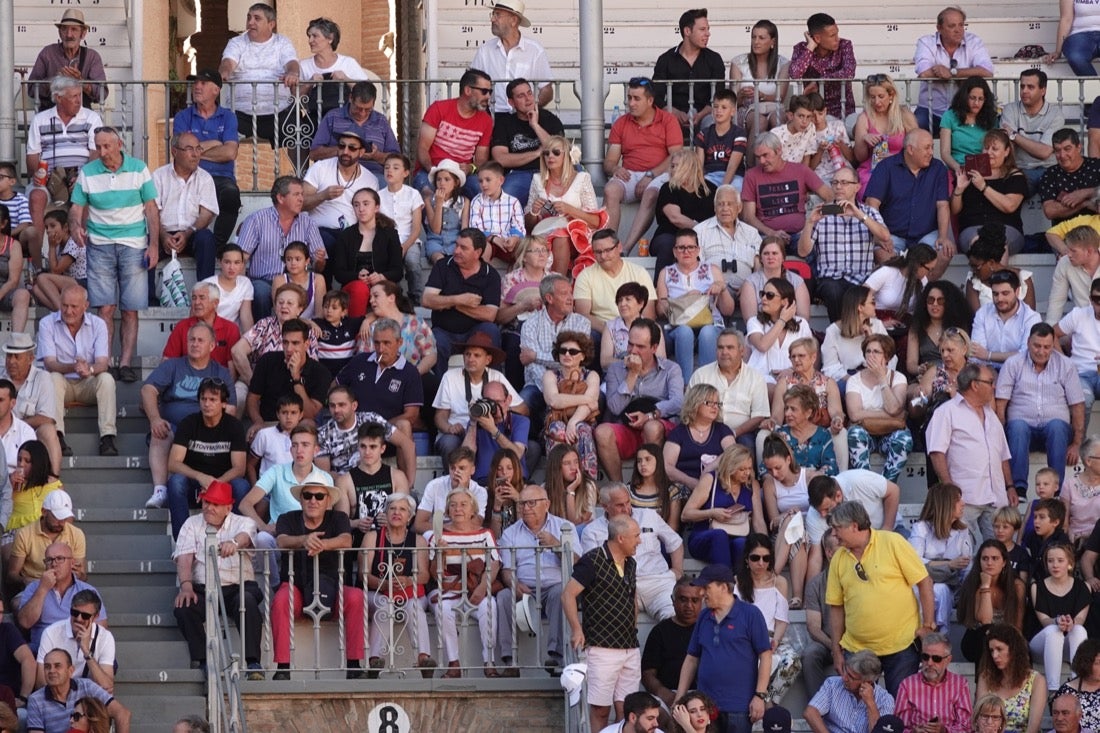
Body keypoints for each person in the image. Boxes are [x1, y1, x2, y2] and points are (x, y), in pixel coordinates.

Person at [68, 127, 159, 382]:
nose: (103, 152)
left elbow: (151, 209)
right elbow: (76, 208)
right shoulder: (88, 172)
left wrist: (153, 246)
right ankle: (104, 362)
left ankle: (126, 362)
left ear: (119, 143)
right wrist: (75, 226)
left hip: (133, 243)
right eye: (99, 146)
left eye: (107, 146)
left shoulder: (139, 168)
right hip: (99, 244)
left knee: (130, 309)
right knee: (105, 308)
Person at [826, 500, 936, 696]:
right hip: (857, 649)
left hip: (901, 647)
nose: (834, 534)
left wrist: (928, 626)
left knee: (899, 710)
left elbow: (924, 582)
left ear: (853, 525)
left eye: (837, 528)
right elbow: (836, 607)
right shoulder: (838, 558)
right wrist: (836, 650)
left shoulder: (893, 542)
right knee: (858, 713)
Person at [270, 481, 364, 679]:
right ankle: (283, 668)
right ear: (301, 499)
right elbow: (281, 540)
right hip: (297, 586)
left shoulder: (338, 517)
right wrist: (303, 540)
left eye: (319, 496)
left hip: (334, 587)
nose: (313, 500)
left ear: (328, 500)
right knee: (280, 601)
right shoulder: (287, 518)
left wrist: (322, 544)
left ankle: (354, 665)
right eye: (308, 495)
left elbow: (346, 540)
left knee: (356, 597)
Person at [171, 480, 262, 679]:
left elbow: (246, 535)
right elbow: (184, 557)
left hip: (239, 586)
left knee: (246, 602)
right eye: (206, 502)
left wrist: (234, 543)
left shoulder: (242, 521)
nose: (209, 508)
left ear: (228, 507)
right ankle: (204, 661)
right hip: (204, 589)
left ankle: (254, 663)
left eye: (215, 504)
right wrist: (186, 586)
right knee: (184, 607)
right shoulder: (191, 523)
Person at [141, 323, 236, 510]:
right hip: (175, 428)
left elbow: (230, 408)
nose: (195, 344)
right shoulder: (173, 366)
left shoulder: (220, 372)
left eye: (201, 340)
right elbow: (147, 390)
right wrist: (155, 419)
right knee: (161, 431)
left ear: (212, 346)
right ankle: (160, 490)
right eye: (192, 339)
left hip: (206, 431)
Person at [563, 513, 641, 732]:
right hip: (602, 648)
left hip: (629, 646)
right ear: (621, 538)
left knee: (627, 711)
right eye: (635, 536)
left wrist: (633, 625)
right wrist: (576, 629)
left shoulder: (631, 563)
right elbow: (568, 595)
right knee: (600, 710)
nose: (640, 541)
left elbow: (632, 596)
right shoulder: (592, 560)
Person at [676, 564, 772, 733]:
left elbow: (765, 655)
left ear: (723, 587)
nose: (702, 593)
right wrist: (680, 697)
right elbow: (691, 658)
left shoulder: (750, 614)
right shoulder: (704, 616)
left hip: (739, 707)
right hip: (705, 708)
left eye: (707, 587)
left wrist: (760, 695)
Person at [927, 363, 1015, 542]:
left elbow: (1003, 455)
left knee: (998, 556)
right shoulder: (946, 412)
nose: (994, 386)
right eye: (990, 382)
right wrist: (950, 489)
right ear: (975, 385)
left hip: (996, 498)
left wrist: (1010, 486)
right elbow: (937, 452)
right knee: (965, 558)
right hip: (965, 499)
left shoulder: (991, 415)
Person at [24, 77, 103, 270]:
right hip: (50, 178)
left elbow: (96, 152)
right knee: (35, 196)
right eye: (74, 96)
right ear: (58, 98)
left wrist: (82, 177)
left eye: (79, 95)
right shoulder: (41, 120)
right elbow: (32, 155)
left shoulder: (91, 117)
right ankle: (37, 264)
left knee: (82, 194)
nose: (79, 100)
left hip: (81, 175)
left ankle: (83, 259)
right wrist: (39, 174)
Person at [996, 323, 1084, 495]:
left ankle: (1055, 490)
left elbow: (1078, 405)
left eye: (1047, 347)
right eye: (1037, 346)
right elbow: (1001, 405)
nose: (1041, 351)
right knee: (1018, 427)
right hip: (1021, 429)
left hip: (1055, 431)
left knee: (1057, 426)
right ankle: (1018, 489)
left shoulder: (1066, 365)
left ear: (1053, 345)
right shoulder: (1013, 364)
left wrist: (1076, 444)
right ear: (1028, 342)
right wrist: (999, 439)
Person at [496, 484, 574, 675]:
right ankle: (510, 661)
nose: (525, 508)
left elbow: (578, 564)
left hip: (554, 585)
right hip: (524, 587)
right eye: (522, 504)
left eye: (531, 503)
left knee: (561, 593)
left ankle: (556, 658)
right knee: (503, 597)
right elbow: (506, 569)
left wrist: (557, 545)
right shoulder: (510, 533)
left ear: (546, 504)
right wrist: (513, 584)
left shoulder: (564, 527)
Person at [596, 318, 683, 482]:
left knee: (651, 427)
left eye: (640, 346)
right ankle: (619, 488)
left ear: (654, 348)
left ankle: (652, 486)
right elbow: (614, 407)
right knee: (602, 432)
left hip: (660, 427)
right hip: (627, 427)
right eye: (630, 344)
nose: (633, 351)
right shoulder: (616, 368)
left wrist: (651, 415)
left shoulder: (671, 368)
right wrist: (632, 374)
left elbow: (678, 401)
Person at [602, 76, 683, 252]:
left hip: (660, 174)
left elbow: (676, 155)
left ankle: (626, 248)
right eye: (629, 97)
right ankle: (608, 246)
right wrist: (616, 168)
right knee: (610, 190)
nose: (631, 103)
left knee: (652, 193)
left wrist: (650, 175)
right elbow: (609, 162)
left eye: (636, 98)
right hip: (630, 174)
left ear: (650, 100)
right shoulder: (621, 123)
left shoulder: (667, 120)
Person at [426, 489, 501, 679]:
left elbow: (494, 563)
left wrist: (482, 588)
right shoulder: (437, 536)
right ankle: (453, 663)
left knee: (490, 606)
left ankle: (489, 661)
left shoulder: (485, 534)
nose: (457, 509)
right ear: (447, 510)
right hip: (449, 590)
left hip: (477, 589)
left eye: (463, 505)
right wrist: (440, 555)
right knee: (442, 608)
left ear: (472, 510)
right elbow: (435, 574)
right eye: (453, 505)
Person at [581, 484, 683, 622]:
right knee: (616, 625)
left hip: (657, 583)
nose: (626, 508)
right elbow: (593, 567)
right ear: (605, 506)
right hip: (619, 587)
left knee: (673, 619)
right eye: (619, 505)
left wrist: (677, 570)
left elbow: (674, 541)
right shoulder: (592, 531)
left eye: (628, 502)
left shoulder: (649, 515)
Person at [799, 170, 890, 321]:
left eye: (844, 183)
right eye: (835, 183)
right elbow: (803, 252)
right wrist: (809, 223)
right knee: (834, 290)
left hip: (861, 279)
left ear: (857, 187)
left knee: (858, 294)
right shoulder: (822, 214)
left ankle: (848, 334)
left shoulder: (868, 212)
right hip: (830, 280)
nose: (838, 186)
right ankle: (842, 333)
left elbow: (885, 236)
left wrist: (858, 215)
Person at [218, 3, 304, 163]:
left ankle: (301, 177)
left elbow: (291, 62)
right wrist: (225, 71)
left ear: (271, 24)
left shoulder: (282, 42)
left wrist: (293, 73)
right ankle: (221, 180)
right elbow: (228, 62)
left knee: (299, 130)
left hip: (278, 113)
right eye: (249, 17)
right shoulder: (236, 42)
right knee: (219, 131)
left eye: (257, 18)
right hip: (240, 113)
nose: (250, 22)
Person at [360, 492, 435, 675]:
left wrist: (408, 580)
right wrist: (384, 584)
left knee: (415, 609)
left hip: (411, 593)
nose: (397, 513)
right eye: (392, 508)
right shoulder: (372, 538)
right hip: (377, 592)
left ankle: (423, 659)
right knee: (385, 606)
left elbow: (425, 575)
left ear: (409, 517)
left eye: (402, 509)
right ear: (385, 513)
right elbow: (364, 575)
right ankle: (374, 661)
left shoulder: (418, 541)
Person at [36, 286, 116, 457]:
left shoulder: (98, 324)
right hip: (62, 384)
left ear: (85, 306)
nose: (68, 311)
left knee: (107, 379)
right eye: (64, 305)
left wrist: (90, 369)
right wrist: (73, 367)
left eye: (74, 306)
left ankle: (107, 437)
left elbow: (103, 362)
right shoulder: (47, 323)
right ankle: (57, 436)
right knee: (53, 378)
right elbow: (49, 363)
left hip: (88, 382)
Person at [165, 379, 249, 538]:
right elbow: (173, 464)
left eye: (213, 400)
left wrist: (215, 484)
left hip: (223, 483)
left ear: (224, 403)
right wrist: (200, 476)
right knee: (176, 482)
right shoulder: (189, 423)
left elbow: (239, 468)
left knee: (241, 485)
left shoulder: (234, 426)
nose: (207, 404)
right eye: (203, 399)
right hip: (195, 483)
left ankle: (235, 539)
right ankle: (184, 542)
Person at [235, 176, 327, 320]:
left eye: (302, 194)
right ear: (281, 198)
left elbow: (319, 267)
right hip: (264, 281)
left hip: (297, 280)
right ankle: (264, 333)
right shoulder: (257, 220)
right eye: (296, 194)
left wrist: (320, 260)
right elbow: (240, 259)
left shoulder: (308, 223)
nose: (301, 199)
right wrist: (238, 288)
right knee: (259, 291)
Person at [172, 70, 241, 254]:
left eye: (203, 83)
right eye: (196, 83)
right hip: (191, 175)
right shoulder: (183, 117)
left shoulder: (228, 117)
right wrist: (214, 144)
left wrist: (194, 151)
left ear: (216, 90)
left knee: (231, 195)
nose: (197, 87)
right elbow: (180, 152)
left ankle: (216, 248)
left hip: (220, 176)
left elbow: (230, 152)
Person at [421, 228, 502, 377]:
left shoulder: (491, 275)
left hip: (475, 332)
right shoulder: (443, 266)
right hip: (444, 332)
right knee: (436, 341)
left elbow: (490, 315)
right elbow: (426, 300)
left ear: (477, 253)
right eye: (456, 245)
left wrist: (452, 304)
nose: (456, 250)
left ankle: (493, 387)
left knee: (491, 331)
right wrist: (458, 299)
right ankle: (439, 392)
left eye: (463, 248)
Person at [430, 332, 523, 458]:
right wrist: (449, 428)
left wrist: (497, 408)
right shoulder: (450, 377)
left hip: (488, 430)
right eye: (467, 354)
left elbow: (523, 409)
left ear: (488, 360)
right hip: (459, 433)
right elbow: (440, 416)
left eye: (477, 355)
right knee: (448, 443)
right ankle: (455, 477)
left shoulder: (497, 377)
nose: (470, 359)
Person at [656, 229, 733, 377]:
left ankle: (706, 382)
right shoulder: (666, 273)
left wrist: (722, 289)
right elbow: (660, 309)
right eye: (681, 247)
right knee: (685, 331)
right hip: (678, 325)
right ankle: (685, 384)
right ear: (674, 251)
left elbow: (728, 311)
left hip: (710, 324)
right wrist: (686, 298)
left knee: (708, 332)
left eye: (691, 247)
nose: (686, 251)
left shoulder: (712, 270)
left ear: (698, 250)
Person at [865, 130, 954, 257]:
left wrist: (943, 237)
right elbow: (871, 203)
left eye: (932, 147)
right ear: (910, 149)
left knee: (944, 253)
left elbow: (942, 205)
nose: (931, 152)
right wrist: (879, 235)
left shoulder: (937, 168)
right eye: (926, 148)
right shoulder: (886, 167)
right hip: (892, 234)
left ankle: (924, 278)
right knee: (881, 254)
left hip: (926, 235)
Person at [524, 136, 603, 277]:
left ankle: (555, 284)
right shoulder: (537, 180)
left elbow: (596, 222)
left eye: (556, 152)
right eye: (546, 153)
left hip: (576, 238)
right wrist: (534, 212)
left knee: (561, 235)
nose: (550, 156)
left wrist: (570, 210)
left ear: (567, 154)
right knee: (553, 237)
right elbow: (529, 227)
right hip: (544, 236)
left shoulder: (582, 178)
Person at [735, 533, 801, 702]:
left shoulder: (779, 582)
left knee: (793, 663)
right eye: (755, 558)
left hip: (772, 637)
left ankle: (767, 702)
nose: (761, 563)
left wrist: (775, 641)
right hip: (745, 638)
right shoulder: (736, 583)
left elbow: (782, 619)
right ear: (746, 559)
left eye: (766, 558)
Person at [412, 68, 493, 199]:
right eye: (484, 91)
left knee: (483, 194)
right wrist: (434, 172)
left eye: (490, 92)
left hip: (461, 175)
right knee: (428, 194)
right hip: (432, 170)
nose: (488, 96)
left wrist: (470, 168)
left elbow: (480, 161)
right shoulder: (439, 108)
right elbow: (422, 148)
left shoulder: (486, 121)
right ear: (468, 90)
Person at [740, 132, 832, 248]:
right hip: (767, 237)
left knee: (816, 247)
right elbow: (748, 217)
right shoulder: (751, 176)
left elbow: (830, 196)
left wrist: (816, 221)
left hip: (800, 234)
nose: (762, 161)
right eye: (758, 157)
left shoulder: (800, 171)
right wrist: (771, 233)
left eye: (765, 155)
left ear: (778, 150)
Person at [519, 273, 591, 418]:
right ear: (549, 298)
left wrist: (536, 356)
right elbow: (532, 366)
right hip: (538, 385)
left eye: (571, 293)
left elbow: (577, 360)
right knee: (524, 401)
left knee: (600, 398)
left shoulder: (582, 323)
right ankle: (530, 440)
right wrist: (552, 389)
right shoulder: (530, 325)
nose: (571, 298)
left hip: (574, 383)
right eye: (565, 293)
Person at [913, 7, 994, 134]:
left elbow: (987, 70)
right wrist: (962, 75)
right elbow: (923, 71)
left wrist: (952, 73)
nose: (958, 30)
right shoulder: (926, 42)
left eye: (961, 25)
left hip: (964, 110)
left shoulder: (974, 42)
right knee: (913, 130)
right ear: (939, 28)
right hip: (930, 111)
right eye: (952, 26)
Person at [682, 445, 766, 569]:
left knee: (742, 544)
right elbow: (685, 515)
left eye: (749, 468)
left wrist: (764, 547)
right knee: (720, 535)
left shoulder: (751, 484)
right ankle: (726, 582)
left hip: (738, 534)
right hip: (706, 535)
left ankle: (739, 584)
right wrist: (712, 513)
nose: (747, 473)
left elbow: (758, 521)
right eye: (742, 469)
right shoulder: (711, 479)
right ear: (730, 467)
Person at [770, 337, 847, 470]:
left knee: (841, 433)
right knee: (762, 435)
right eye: (793, 356)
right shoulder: (784, 382)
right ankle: (768, 477)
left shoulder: (828, 382)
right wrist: (772, 422)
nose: (796, 360)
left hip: (821, 430)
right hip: (792, 430)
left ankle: (840, 479)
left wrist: (837, 420)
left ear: (813, 357)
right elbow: (777, 415)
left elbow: (836, 411)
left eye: (801, 356)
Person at [302, 132, 381, 261]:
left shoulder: (370, 179)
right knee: (327, 244)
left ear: (361, 152)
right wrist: (323, 196)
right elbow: (300, 204)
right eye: (341, 146)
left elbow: (371, 215)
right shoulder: (320, 168)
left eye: (352, 148)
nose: (345, 151)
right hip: (320, 230)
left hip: (352, 232)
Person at [17, 542, 105, 654]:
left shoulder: (87, 590)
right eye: (49, 560)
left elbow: (101, 629)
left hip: (77, 649)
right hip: (42, 649)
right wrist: (43, 589)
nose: (54, 564)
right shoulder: (34, 588)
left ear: (72, 563)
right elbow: (25, 622)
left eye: (60, 558)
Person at [846, 335, 913, 482]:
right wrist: (887, 414)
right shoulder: (854, 380)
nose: (871, 355)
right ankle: (866, 484)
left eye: (876, 352)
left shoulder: (898, 377)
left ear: (887, 357)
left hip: (889, 433)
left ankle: (886, 485)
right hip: (865, 433)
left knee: (904, 438)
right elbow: (855, 415)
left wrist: (882, 379)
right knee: (854, 433)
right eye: (868, 351)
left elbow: (894, 408)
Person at [689, 328, 769, 450]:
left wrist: (734, 432)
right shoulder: (701, 375)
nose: (724, 352)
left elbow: (759, 415)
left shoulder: (755, 377)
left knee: (745, 446)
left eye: (730, 347)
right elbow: (689, 409)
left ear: (742, 351)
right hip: (706, 430)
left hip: (741, 433)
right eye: (720, 348)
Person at [153, 133, 218, 281]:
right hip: (163, 232)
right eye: (189, 149)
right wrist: (163, 236)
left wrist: (188, 233)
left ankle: (204, 291)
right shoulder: (159, 176)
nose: (196, 154)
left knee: (206, 239)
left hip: (192, 233)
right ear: (174, 151)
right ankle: (149, 300)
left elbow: (206, 214)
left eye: (198, 149)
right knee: (145, 244)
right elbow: (153, 212)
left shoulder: (205, 178)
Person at [909, 483, 973, 632]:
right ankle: (934, 632)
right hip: (923, 584)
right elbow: (914, 560)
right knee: (937, 589)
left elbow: (967, 566)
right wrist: (949, 564)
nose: (963, 503)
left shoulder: (962, 529)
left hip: (952, 585)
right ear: (945, 504)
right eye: (958, 500)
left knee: (942, 589)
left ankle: (939, 635)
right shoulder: (921, 528)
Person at [329, 187, 402, 318]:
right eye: (356, 205)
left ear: (376, 207)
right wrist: (357, 276)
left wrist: (381, 277)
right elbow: (339, 273)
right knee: (360, 288)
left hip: (382, 287)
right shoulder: (346, 236)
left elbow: (397, 271)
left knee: (381, 290)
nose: (361, 209)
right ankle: (356, 330)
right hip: (353, 289)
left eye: (366, 204)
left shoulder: (389, 234)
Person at [492, 79, 565, 208]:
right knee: (504, 199)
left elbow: (557, 149)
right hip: (519, 174)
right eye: (521, 96)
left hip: (549, 171)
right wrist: (537, 153)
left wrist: (535, 125)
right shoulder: (504, 123)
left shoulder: (549, 118)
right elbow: (501, 158)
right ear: (511, 102)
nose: (528, 99)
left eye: (529, 93)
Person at [952, 130, 1028, 255]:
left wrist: (983, 187)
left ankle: (995, 275)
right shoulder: (970, 173)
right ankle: (999, 274)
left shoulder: (1014, 175)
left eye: (995, 149)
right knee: (979, 242)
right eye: (986, 148)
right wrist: (959, 190)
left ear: (1006, 152)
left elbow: (1009, 206)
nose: (989, 153)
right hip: (972, 228)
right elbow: (955, 210)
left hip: (1006, 228)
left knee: (998, 243)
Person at [471, 0, 553, 113]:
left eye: (497, 15)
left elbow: (546, 90)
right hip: (493, 117)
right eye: (493, 14)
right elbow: (472, 84)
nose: (492, 19)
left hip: (524, 117)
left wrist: (531, 109)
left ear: (513, 20)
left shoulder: (534, 50)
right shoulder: (485, 50)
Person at [574, 229, 658, 339]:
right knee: (588, 336)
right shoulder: (585, 276)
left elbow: (649, 314)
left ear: (619, 247)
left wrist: (632, 332)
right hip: (602, 330)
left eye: (608, 250)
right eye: (598, 252)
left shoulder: (639, 272)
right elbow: (583, 315)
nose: (603, 256)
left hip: (636, 330)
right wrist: (611, 331)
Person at [309, 81, 399, 182]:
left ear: (374, 103)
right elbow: (314, 153)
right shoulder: (332, 117)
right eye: (358, 108)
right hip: (336, 174)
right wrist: (344, 150)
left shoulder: (381, 121)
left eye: (368, 109)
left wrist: (375, 155)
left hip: (373, 175)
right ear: (350, 98)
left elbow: (396, 160)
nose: (362, 113)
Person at [651, 8, 725, 132]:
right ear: (687, 31)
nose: (708, 34)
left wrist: (701, 115)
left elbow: (719, 94)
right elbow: (656, 95)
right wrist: (674, 112)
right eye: (702, 29)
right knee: (663, 124)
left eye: (708, 29)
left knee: (713, 124)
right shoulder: (666, 59)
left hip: (706, 115)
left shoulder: (714, 59)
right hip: (673, 115)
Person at [246, 319, 329, 427]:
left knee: (309, 424)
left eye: (295, 343)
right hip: (269, 425)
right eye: (285, 342)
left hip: (300, 428)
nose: (289, 349)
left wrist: (296, 378)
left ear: (306, 344)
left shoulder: (320, 372)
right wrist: (258, 422)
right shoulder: (267, 361)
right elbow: (253, 399)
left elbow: (311, 414)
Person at [0, 335, 63, 474]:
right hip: (2, 430)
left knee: (49, 430)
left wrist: (17, 425)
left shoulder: (43, 378)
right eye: (9, 356)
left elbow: (47, 418)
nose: (11, 361)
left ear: (30, 359)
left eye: (17, 357)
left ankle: (53, 479)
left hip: (31, 433)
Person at [542, 331, 600, 479]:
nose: (567, 354)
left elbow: (589, 407)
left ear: (582, 355)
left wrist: (573, 422)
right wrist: (586, 398)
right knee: (557, 429)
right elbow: (554, 401)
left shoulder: (591, 375)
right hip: (556, 420)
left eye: (573, 351)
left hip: (582, 420)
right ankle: (556, 482)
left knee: (583, 430)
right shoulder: (551, 375)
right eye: (563, 351)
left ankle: (588, 483)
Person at [957, 540, 1026, 664]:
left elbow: (1018, 625)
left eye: (995, 558)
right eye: (985, 558)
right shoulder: (974, 585)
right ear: (979, 562)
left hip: (1006, 636)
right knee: (986, 638)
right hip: (977, 638)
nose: (989, 563)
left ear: (1004, 562)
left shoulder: (1017, 586)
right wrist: (985, 585)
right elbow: (985, 621)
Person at [27, 649, 129, 733]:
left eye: (57, 666)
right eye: (47, 667)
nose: (52, 671)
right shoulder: (36, 700)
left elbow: (122, 714)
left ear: (70, 670)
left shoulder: (86, 686)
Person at [7, 490, 86, 595]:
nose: (61, 522)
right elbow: (12, 574)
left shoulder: (76, 534)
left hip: (66, 589)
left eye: (64, 518)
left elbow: (83, 575)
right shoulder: (24, 534)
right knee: (18, 604)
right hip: (35, 587)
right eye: (57, 517)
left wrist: (78, 574)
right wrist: (26, 581)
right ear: (44, 512)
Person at [853, 74, 919, 200]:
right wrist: (864, 139)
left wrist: (895, 158)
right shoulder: (864, 118)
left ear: (891, 95)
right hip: (873, 169)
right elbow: (860, 157)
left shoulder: (904, 116)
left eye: (881, 96)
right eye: (872, 97)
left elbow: (917, 149)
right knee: (868, 188)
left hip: (902, 166)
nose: (876, 102)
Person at [297, 20, 376, 123]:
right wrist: (309, 83)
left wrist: (345, 79)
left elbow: (368, 91)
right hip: (315, 123)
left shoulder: (348, 63)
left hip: (346, 121)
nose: (310, 40)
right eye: (309, 36)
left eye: (315, 36)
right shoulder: (304, 65)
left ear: (330, 38)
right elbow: (296, 99)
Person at [650, 153, 717, 274]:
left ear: (690, 167)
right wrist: (702, 230)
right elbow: (675, 218)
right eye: (672, 166)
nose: (673, 170)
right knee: (669, 244)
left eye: (677, 166)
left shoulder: (711, 190)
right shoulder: (668, 188)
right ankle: (659, 288)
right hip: (669, 235)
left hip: (701, 239)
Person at [27, 10, 107, 111]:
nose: (69, 35)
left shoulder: (92, 57)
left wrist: (81, 82)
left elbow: (102, 93)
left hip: (82, 119)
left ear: (83, 34)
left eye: (74, 29)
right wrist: (55, 81)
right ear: (59, 32)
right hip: (52, 117)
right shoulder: (47, 53)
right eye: (64, 29)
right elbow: (31, 89)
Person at [642, 578, 703, 706]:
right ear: (673, 600)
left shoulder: (709, 630)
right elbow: (647, 673)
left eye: (695, 600)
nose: (689, 606)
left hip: (703, 696)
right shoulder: (660, 631)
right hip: (668, 696)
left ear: (702, 601)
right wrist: (663, 693)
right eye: (683, 599)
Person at [1000, 70, 1063, 191]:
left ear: (1043, 90)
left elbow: (1044, 152)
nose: (1024, 91)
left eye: (1030, 87)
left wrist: (1014, 135)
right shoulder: (1010, 110)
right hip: (1019, 170)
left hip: (1049, 169)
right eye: (1022, 86)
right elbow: (1008, 147)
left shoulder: (1055, 114)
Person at [804, 650, 896, 733]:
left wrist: (870, 703)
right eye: (845, 671)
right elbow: (810, 713)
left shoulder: (886, 700)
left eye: (851, 677)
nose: (844, 678)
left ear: (868, 682)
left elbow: (878, 732)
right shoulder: (832, 684)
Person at [693, 186, 760, 298]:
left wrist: (750, 284)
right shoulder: (700, 231)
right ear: (715, 208)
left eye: (730, 204)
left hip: (747, 291)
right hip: (712, 291)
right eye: (720, 204)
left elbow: (759, 265)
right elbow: (694, 266)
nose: (725, 208)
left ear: (739, 208)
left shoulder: (751, 233)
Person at [729, 21, 791, 141]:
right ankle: (753, 159)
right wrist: (741, 95)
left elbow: (781, 97)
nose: (756, 42)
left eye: (761, 38)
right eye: (753, 37)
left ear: (773, 42)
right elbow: (733, 100)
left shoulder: (783, 63)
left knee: (776, 119)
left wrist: (762, 95)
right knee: (760, 122)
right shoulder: (738, 62)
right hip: (746, 109)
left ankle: (776, 158)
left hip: (773, 107)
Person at [746, 277, 814, 387]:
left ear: (785, 301)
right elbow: (763, 345)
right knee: (776, 390)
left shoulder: (802, 324)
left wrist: (793, 370)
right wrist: (782, 320)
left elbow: (810, 356)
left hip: (794, 378)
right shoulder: (754, 322)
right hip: (761, 380)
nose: (763, 298)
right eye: (762, 294)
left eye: (769, 295)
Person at [979, 625, 1047, 733]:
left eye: (999, 649)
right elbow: (981, 719)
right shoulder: (986, 678)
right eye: (991, 651)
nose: (994, 655)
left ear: (1013, 649)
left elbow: (1033, 728)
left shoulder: (1036, 681)